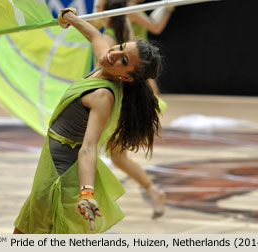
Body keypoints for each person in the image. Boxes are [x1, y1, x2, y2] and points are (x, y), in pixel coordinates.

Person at [13, 7, 162, 234]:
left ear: (126, 77)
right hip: (51, 166)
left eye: (123, 60)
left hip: (62, 175)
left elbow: (89, 148)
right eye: (120, 47)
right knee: (24, 230)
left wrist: (86, 193)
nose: (113, 54)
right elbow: (95, 36)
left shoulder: (103, 95)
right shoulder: (105, 63)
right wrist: (69, 17)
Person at [95, 0, 166, 218]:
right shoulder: (122, 30)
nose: (94, 11)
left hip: (122, 99)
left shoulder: (110, 37)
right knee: (117, 157)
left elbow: (155, 26)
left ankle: (92, 203)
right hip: (131, 95)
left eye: (97, 8)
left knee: (89, 150)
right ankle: (153, 191)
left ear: (107, 12)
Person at [128, 0, 174, 95]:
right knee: (150, 88)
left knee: (147, 87)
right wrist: (169, 8)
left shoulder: (136, 9)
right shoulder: (131, 10)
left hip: (141, 50)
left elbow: (157, 27)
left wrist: (169, 8)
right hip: (137, 51)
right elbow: (156, 28)